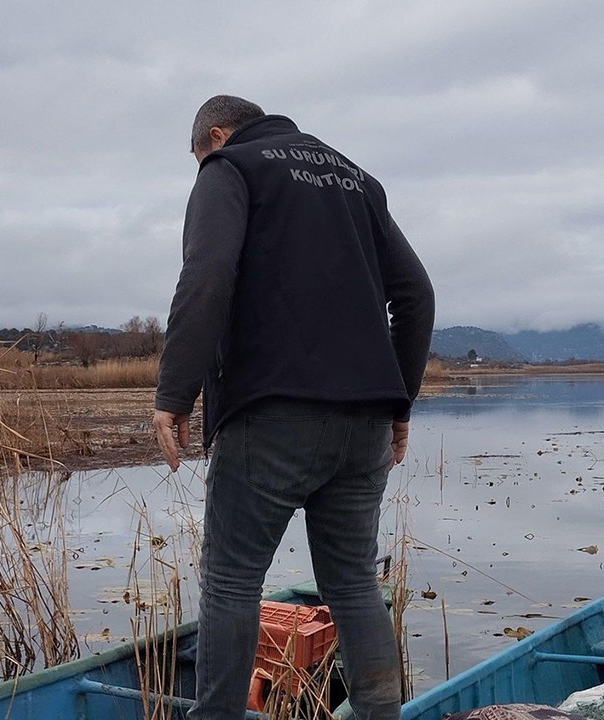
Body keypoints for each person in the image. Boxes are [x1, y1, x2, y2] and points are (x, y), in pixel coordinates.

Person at [153, 94, 435, 720]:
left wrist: (175, 393)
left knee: (231, 583)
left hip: (271, 415)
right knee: (356, 585)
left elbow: (207, 272)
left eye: (199, 156)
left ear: (217, 135)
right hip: (365, 423)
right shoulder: (357, 179)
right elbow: (416, 294)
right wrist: (400, 404)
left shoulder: (230, 169)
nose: (201, 166)